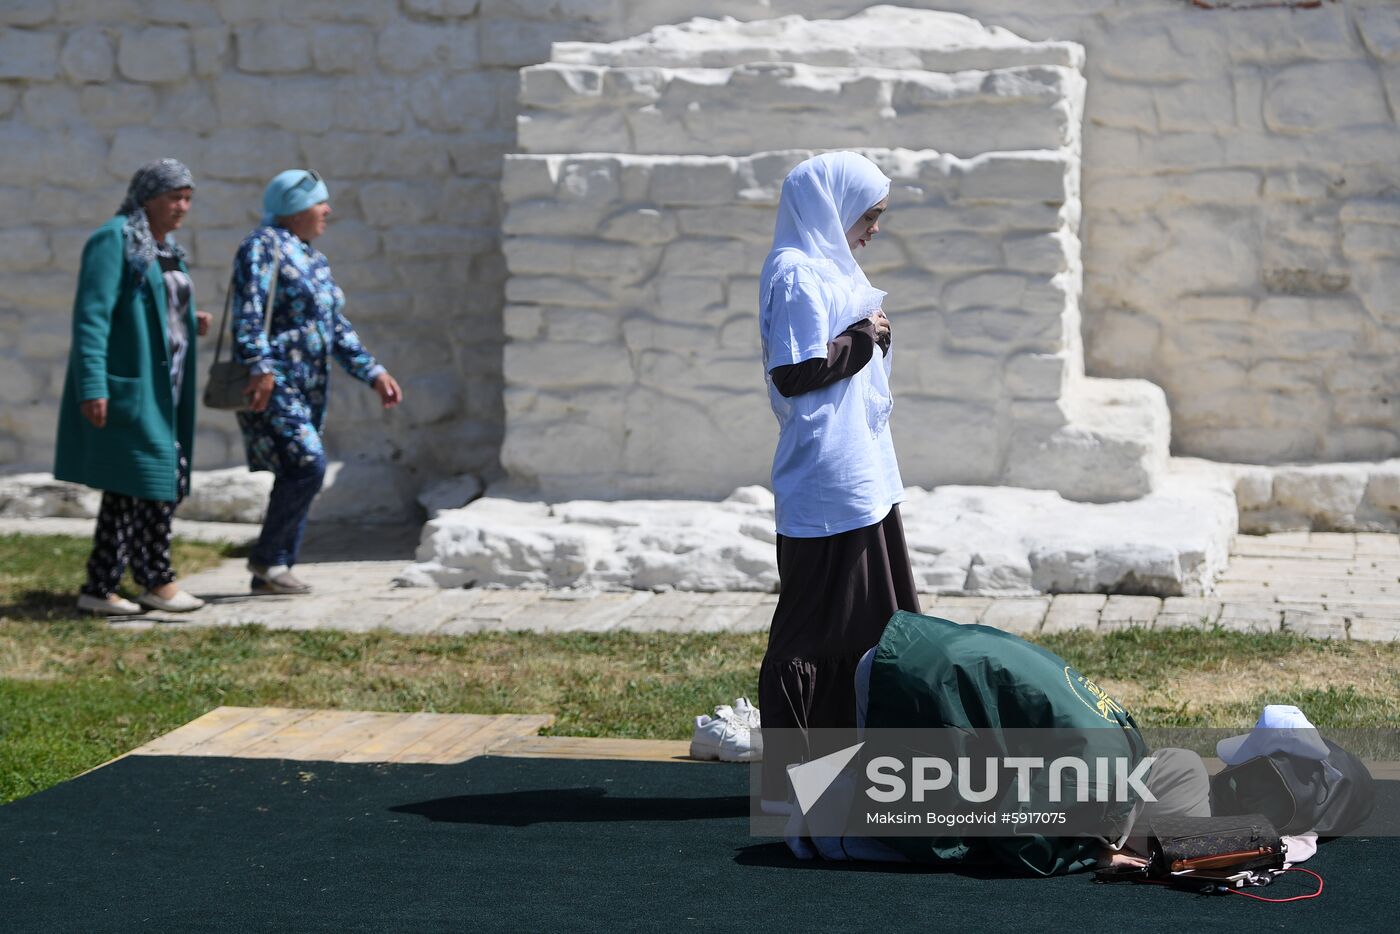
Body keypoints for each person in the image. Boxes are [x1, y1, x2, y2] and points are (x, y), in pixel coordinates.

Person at [757, 152, 920, 805]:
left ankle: (863, 768)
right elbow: (794, 371)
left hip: (861, 474)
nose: (875, 228)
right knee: (812, 629)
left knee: (872, 623)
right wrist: (864, 337)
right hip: (827, 479)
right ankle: (792, 780)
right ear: (832, 206)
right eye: (868, 214)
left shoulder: (827, 267)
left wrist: (869, 336)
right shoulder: (796, 273)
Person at [230, 169, 403, 595]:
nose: (328, 210)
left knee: (297, 467)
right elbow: (249, 309)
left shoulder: (312, 257)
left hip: (309, 387)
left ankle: (273, 568)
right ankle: (269, 558)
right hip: (275, 381)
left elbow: (334, 326)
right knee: (309, 463)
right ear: (294, 208)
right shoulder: (263, 246)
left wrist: (372, 372)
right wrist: (259, 365)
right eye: (319, 202)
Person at [55, 159, 210, 615]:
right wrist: (92, 384)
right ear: (148, 198)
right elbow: (92, 316)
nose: (182, 207)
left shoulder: (167, 248)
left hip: (168, 387)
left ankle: (102, 585)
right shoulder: (114, 239)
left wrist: (188, 317)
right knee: (151, 479)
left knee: (137, 486)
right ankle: (156, 580)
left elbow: (159, 304)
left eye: (188, 198)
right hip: (133, 386)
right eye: (174, 197)